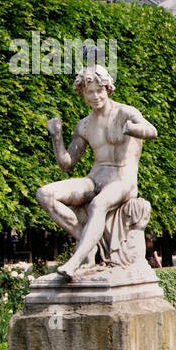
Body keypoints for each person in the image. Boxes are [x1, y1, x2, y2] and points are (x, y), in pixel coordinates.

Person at [38, 63, 159, 279]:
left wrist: (131, 128)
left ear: (107, 89)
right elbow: (67, 164)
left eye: (98, 90)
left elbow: (152, 131)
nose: (94, 97)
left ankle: (76, 260)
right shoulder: (84, 125)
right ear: (82, 94)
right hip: (95, 178)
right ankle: (88, 242)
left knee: (98, 204)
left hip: (122, 179)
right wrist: (56, 137)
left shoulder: (125, 112)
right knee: (45, 195)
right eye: (88, 92)